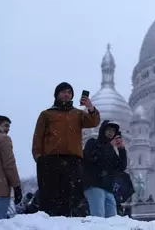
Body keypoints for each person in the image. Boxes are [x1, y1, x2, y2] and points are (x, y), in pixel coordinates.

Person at [32, 82, 100, 217]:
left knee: (71, 195)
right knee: (50, 195)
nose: (66, 94)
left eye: (69, 92)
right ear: (57, 94)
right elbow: (38, 136)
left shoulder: (78, 114)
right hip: (51, 160)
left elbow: (94, 122)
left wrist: (90, 107)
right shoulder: (46, 114)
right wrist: (38, 157)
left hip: (73, 160)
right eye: (63, 91)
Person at [83, 120, 128, 218]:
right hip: (94, 185)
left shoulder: (110, 149)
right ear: (102, 130)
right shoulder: (92, 142)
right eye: (108, 130)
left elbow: (121, 167)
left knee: (112, 219)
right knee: (98, 217)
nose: (111, 132)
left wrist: (121, 149)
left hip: (108, 188)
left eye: (113, 131)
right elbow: (90, 158)